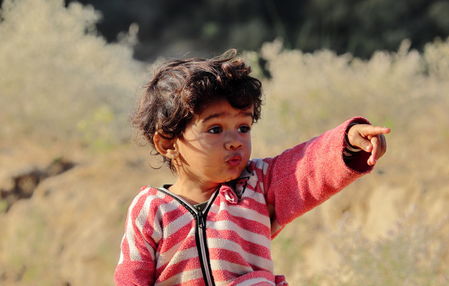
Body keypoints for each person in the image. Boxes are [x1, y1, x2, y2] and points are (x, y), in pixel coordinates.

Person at [114, 49, 390, 286]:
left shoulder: (257, 185)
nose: (234, 141)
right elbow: (131, 276)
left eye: (243, 127)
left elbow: (306, 166)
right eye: (215, 129)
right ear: (167, 143)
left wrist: (348, 143)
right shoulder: (151, 209)